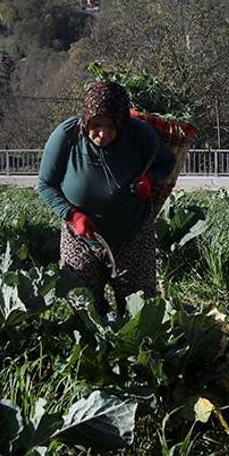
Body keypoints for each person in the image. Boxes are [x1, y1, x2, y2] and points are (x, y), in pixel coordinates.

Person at [37, 80, 175, 315]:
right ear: (86, 119)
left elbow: (167, 162)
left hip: (132, 232)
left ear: (122, 123)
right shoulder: (66, 136)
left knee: (139, 309)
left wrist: (150, 179)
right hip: (80, 236)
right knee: (82, 305)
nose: (103, 134)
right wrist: (72, 215)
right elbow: (45, 185)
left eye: (111, 127)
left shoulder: (140, 134)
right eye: (96, 125)